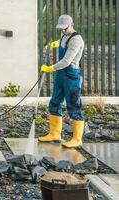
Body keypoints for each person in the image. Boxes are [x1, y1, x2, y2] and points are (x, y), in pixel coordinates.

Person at [38, 14, 85, 148]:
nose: (63, 31)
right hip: (61, 74)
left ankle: (77, 139)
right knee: (55, 101)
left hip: (71, 75)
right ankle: (55, 134)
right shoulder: (64, 35)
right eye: (61, 29)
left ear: (71, 25)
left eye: (65, 29)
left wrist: (50, 68)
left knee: (74, 105)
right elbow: (63, 43)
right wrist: (56, 43)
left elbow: (66, 61)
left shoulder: (77, 40)